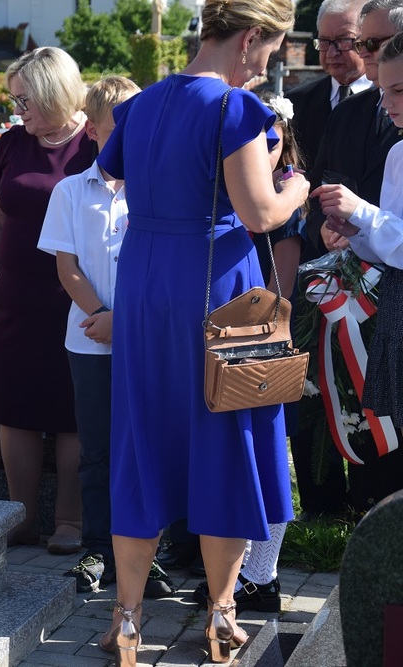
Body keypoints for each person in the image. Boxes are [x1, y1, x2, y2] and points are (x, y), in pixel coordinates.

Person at [96, 0, 310, 663]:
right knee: (229, 437)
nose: (270, 60)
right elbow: (260, 211)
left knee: (140, 437)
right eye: (272, 48)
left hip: (143, 283)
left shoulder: (142, 103)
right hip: (217, 286)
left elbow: (113, 171)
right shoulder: (235, 110)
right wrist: (296, 181)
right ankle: (221, 614)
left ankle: (127, 618)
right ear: (249, 38)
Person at [37, 76, 180, 598]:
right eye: (118, 125)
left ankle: (148, 551)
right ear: (94, 129)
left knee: (146, 447)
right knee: (97, 448)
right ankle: (99, 546)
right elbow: (68, 265)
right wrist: (100, 311)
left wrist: (130, 321)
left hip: (147, 340)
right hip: (91, 339)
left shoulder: (159, 189)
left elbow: (167, 265)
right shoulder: (72, 191)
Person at [0, 47, 90, 554]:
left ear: (54, 93)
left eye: (25, 101)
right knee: (16, 406)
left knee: (72, 410)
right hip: (18, 296)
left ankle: (70, 521)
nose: (18, 112)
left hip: (78, 295)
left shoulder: (97, 141)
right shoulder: (13, 143)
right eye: (15, 101)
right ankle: (20, 517)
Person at [190, 92, 307, 614]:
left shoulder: (282, 194)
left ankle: (262, 574)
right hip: (233, 323)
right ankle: (240, 574)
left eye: (273, 140)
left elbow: (281, 265)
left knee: (266, 451)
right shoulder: (228, 186)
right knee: (243, 448)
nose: (264, 149)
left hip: (263, 327)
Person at [305, 0, 403, 512]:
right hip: (371, 302)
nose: (361, 54)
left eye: (369, 43)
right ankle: (373, 516)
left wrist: (361, 213)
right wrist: (341, 228)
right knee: (380, 412)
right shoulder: (362, 126)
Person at [287, 0, 371, 173]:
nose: (332, 53)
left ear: (367, 40)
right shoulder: (297, 101)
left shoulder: (390, 101)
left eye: (344, 40)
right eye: (324, 41)